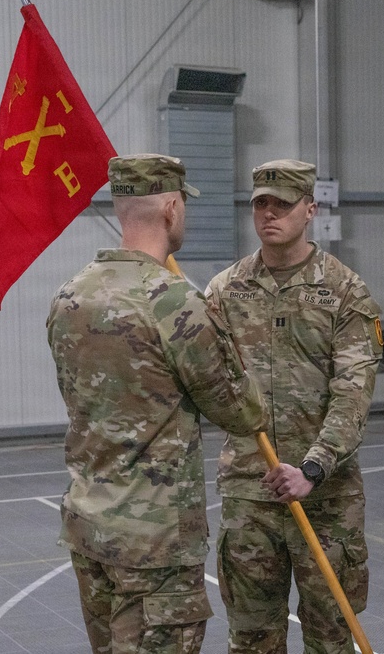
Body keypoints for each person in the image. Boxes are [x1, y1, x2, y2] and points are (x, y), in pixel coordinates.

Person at [47, 154, 267, 654]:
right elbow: (240, 411)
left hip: (90, 524)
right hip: (155, 541)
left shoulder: (69, 296)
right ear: (171, 207)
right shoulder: (175, 302)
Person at [206, 159, 383, 654]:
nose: (269, 214)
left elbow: (353, 390)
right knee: (252, 638)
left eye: (282, 204)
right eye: (261, 203)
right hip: (250, 492)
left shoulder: (345, 290)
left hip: (326, 500)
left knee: (330, 636)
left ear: (310, 209)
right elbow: (209, 383)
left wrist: (313, 466)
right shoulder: (224, 290)